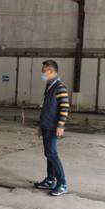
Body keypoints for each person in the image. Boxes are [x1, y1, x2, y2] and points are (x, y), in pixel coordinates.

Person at [34, 60, 71, 196]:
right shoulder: (49, 86)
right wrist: (40, 125)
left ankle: (62, 184)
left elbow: (64, 107)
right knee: (48, 154)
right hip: (46, 125)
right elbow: (46, 107)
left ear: (51, 71)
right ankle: (50, 180)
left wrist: (61, 125)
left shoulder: (60, 87)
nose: (42, 73)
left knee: (52, 154)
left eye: (43, 71)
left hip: (53, 127)